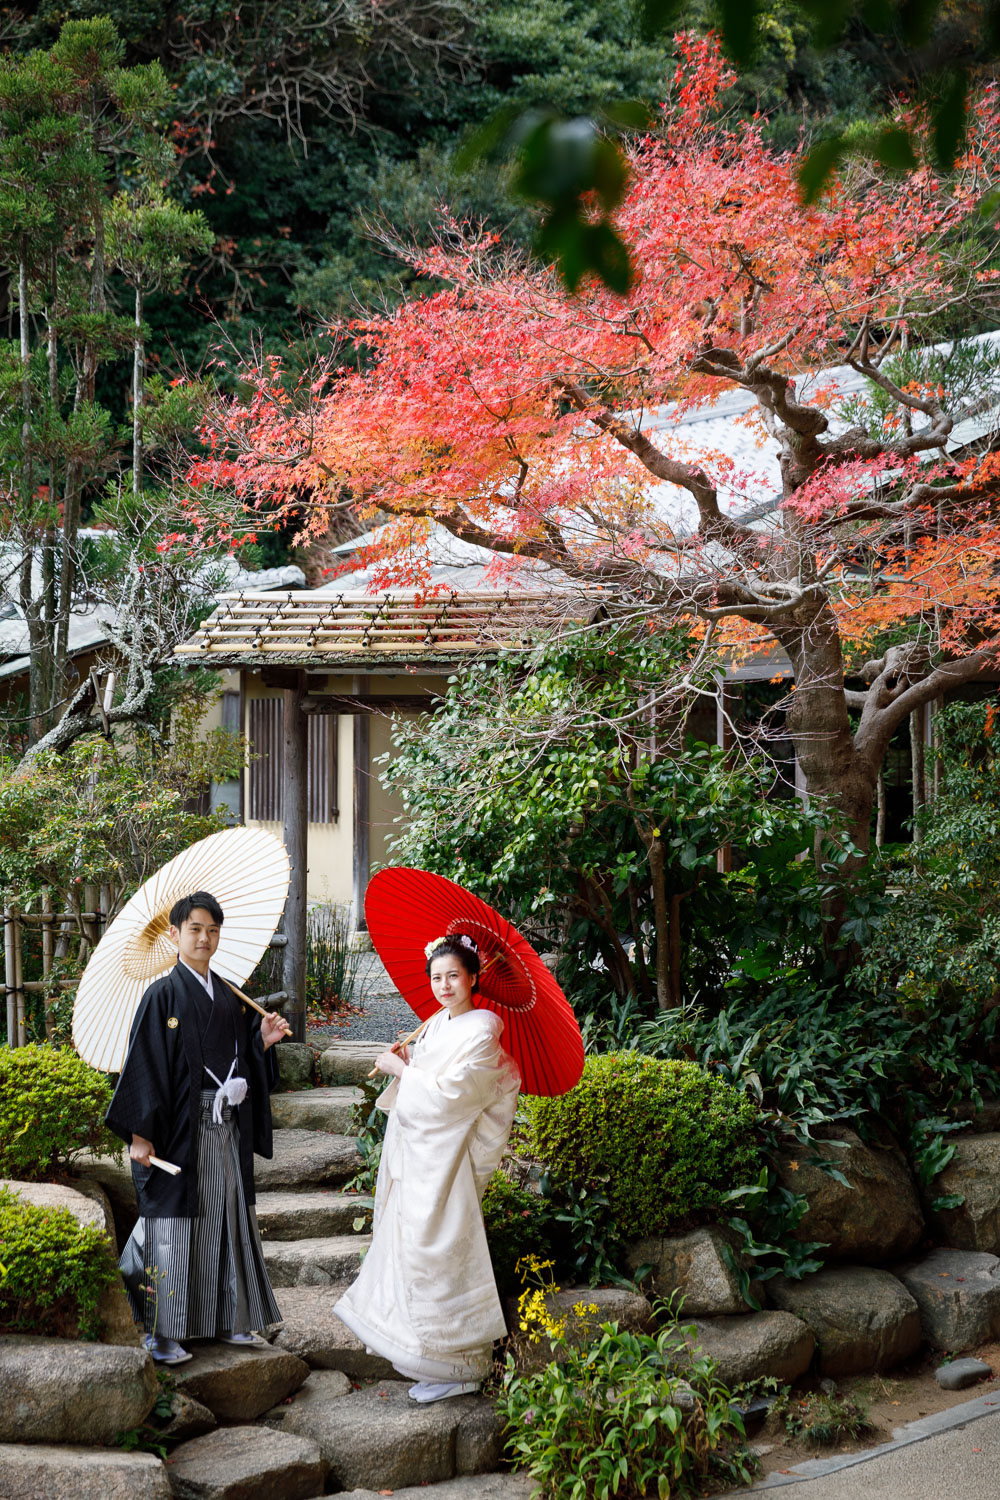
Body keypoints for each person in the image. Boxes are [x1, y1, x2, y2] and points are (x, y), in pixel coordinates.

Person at [106, 890, 291, 1364]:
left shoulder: (228, 995)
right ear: (174, 934)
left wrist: (263, 1042)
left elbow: (242, 1059)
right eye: (195, 929)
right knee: (171, 1225)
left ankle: (231, 1319)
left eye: (212, 930)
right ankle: (163, 1332)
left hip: (225, 1125)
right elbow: (143, 1064)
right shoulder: (161, 995)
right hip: (180, 1128)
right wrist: (141, 1135)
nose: (205, 938)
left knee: (226, 1216)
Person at [334, 933, 520, 1402]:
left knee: (440, 1254)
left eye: (453, 976)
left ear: (473, 978)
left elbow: (454, 1096)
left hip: (447, 1163)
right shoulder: (436, 1025)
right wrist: (410, 1059)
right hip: (417, 1158)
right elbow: (428, 1082)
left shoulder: (483, 1030)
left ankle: (462, 1367)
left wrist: (402, 1073)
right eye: (436, 977)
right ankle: (432, 1361)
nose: (444, 986)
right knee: (411, 1252)